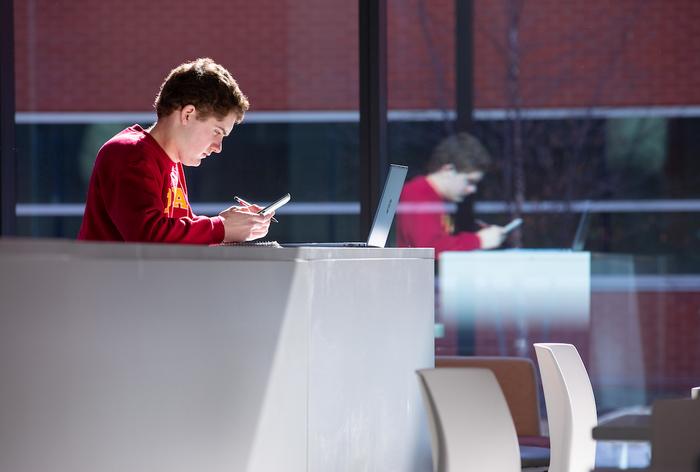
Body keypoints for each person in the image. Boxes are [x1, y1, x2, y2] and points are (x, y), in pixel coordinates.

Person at [78, 57, 272, 244]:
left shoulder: (171, 162)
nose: (218, 147)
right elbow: (147, 236)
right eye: (216, 132)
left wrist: (233, 226)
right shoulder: (129, 153)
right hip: (108, 278)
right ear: (188, 114)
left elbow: (177, 237)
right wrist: (221, 228)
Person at [396, 132, 506, 257]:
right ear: (448, 170)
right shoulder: (418, 195)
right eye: (469, 181)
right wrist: (478, 241)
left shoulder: (429, 196)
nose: (472, 189)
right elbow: (431, 248)